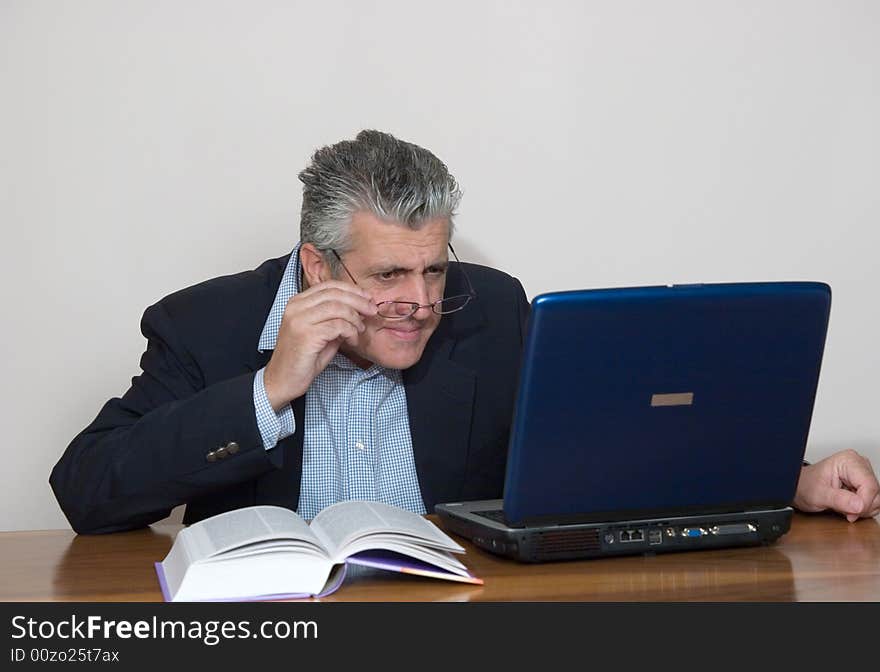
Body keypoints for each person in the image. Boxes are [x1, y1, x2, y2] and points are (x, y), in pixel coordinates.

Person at [50, 130, 880, 534]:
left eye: (434, 267)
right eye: (387, 276)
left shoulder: (491, 308)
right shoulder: (208, 323)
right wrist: (268, 391)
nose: (419, 300)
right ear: (317, 265)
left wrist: (791, 481)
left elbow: (609, 443)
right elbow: (86, 492)